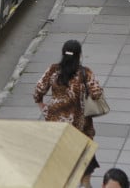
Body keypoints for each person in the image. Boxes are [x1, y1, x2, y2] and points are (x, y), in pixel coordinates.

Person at [34, 40, 103, 188]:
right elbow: (96, 93)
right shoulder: (85, 73)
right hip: (80, 125)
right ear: (79, 55)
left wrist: (42, 105)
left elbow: (38, 89)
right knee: (84, 153)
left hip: (56, 124)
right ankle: (85, 182)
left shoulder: (53, 70)